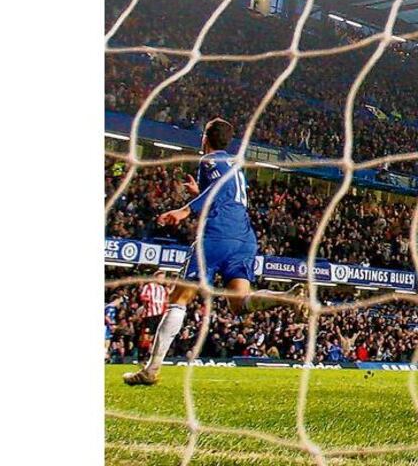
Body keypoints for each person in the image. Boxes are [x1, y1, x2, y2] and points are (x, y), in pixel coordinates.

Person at [124, 118, 302, 386]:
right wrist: (200, 191)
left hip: (217, 235)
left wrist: (184, 210)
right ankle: (287, 297)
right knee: (239, 303)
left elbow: (217, 194)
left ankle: (151, 370)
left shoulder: (209, 162)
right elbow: (228, 194)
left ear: (205, 137)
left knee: (178, 298)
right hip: (244, 238)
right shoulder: (235, 164)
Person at [104, 294, 123, 362]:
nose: (119, 303)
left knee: (107, 341)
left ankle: (105, 356)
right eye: (119, 301)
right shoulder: (110, 307)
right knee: (106, 341)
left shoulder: (112, 308)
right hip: (105, 327)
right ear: (116, 300)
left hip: (107, 327)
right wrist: (112, 325)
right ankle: (105, 356)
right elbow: (106, 317)